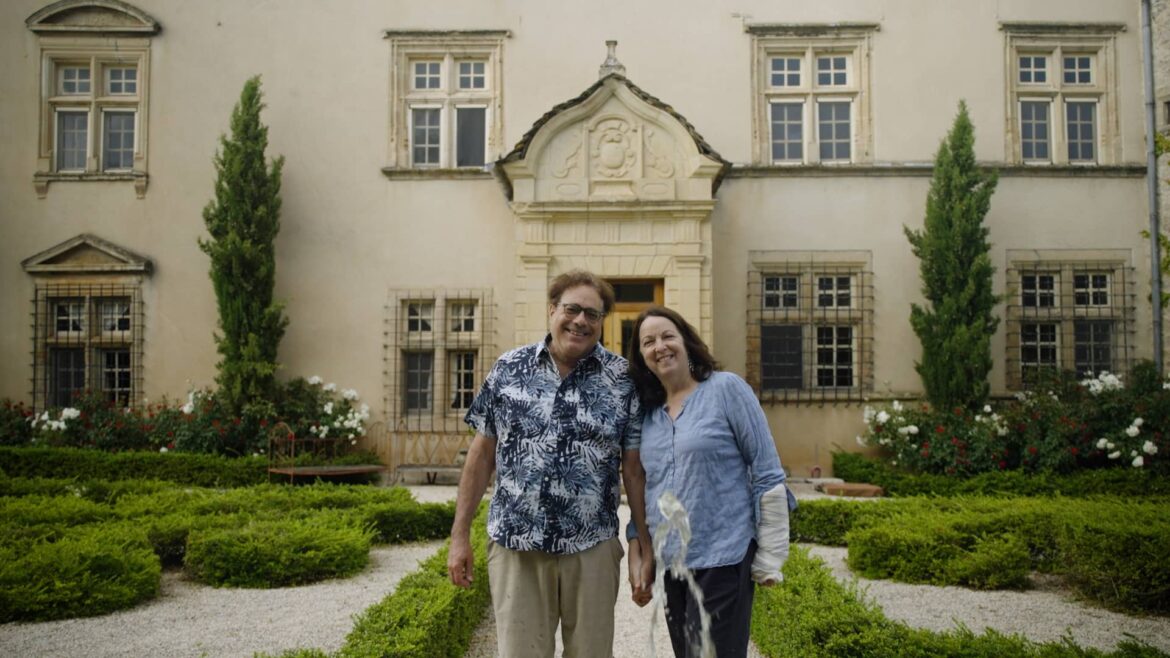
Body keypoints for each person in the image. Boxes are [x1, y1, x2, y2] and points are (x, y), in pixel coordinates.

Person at [446, 269, 650, 658]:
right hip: (515, 545)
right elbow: (481, 455)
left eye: (593, 314)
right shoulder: (509, 368)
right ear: (551, 310)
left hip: (591, 547)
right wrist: (459, 536)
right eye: (572, 309)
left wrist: (643, 543)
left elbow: (633, 470)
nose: (581, 321)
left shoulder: (623, 380)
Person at [626, 305, 793, 658]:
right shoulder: (649, 414)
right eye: (648, 342)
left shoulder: (726, 389)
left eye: (668, 336)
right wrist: (639, 548)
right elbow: (646, 483)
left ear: (686, 341)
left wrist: (772, 554)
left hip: (724, 556)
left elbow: (766, 470)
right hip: (673, 562)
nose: (660, 346)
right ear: (641, 357)